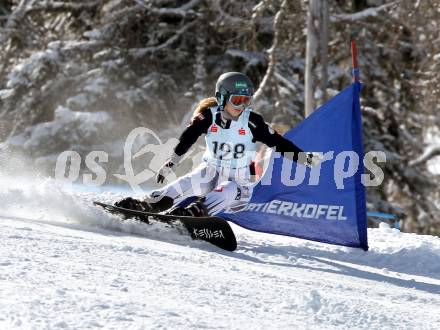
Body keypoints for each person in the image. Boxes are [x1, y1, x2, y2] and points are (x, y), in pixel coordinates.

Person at [115, 72, 320, 217]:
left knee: (228, 189)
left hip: (240, 182)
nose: (242, 106)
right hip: (210, 171)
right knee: (187, 183)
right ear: (222, 98)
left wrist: (304, 159)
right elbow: (189, 137)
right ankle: (148, 205)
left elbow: (278, 143)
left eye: (246, 101)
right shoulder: (208, 117)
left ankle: (194, 214)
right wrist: (173, 161)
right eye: (237, 100)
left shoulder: (253, 122)